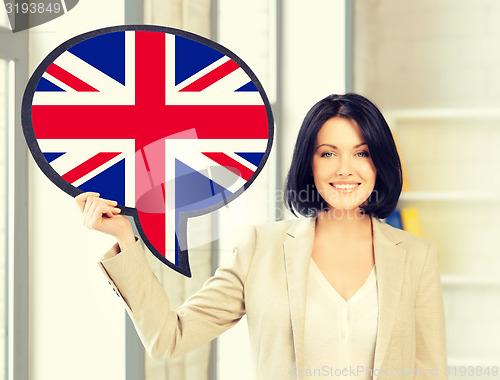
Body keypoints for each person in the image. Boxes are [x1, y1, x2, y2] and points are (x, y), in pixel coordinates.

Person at [76, 93, 448, 379]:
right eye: (328, 153)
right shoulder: (260, 248)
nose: (345, 169)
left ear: (378, 162)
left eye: (361, 153)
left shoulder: (416, 256)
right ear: (309, 163)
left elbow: (431, 370)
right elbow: (167, 337)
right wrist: (127, 238)